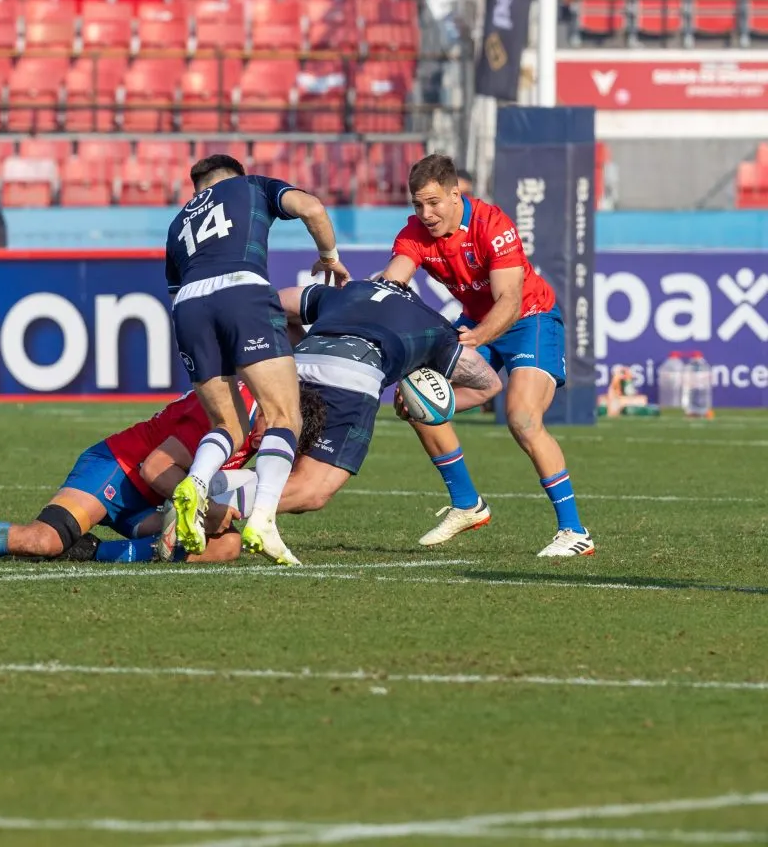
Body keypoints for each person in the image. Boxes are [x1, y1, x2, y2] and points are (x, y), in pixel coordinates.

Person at [381, 153, 595, 557]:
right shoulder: (414, 233)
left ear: (455, 193)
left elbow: (510, 301)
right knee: (415, 399)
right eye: (417, 204)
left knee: (523, 417)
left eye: (433, 202)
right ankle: (466, 505)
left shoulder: (492, 225)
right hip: (475, 324)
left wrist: (476, 338)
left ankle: (575, 533)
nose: (425, 213)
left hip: (530, 319)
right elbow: (395, 279)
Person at [0, 383, 327, 566]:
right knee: (42, 541)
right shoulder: (229, 412)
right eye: (283, 434)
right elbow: (156, 466)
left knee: (225, 547)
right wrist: (207, 511)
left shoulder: (253, 430)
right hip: (118, 471)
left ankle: (93, 553)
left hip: (151, 503)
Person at [164, 153, 349, 566]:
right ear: (233, 176)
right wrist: (329, 255)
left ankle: (195, 482)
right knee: (284, 415)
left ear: (200, 188)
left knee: (228, 424)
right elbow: (312, 208)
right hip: (242, 290)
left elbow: (176, 295)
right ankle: (263, 517)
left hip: (190, 307)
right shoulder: (251, 186)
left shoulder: (178, 223)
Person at [271, 278, 502, 516]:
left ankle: (242, 500)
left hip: (291, 372)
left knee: (282, 468)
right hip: (352, 377)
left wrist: (301, 349)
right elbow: (490, 386)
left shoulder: (350, 290)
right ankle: (231, 502)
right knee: (311, 489)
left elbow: (273, 304)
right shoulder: (434, 326)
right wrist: (434, 406)